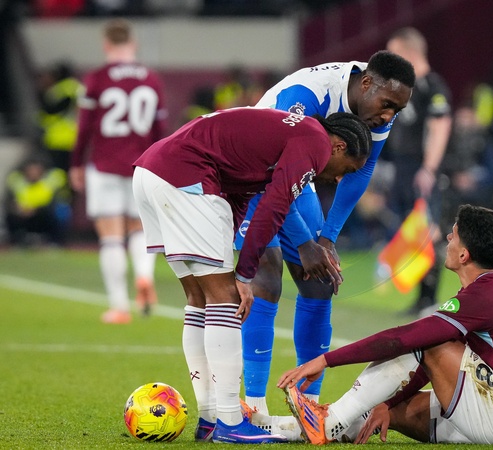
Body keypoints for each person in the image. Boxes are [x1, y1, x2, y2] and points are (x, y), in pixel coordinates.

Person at [132, 108, 373, 444]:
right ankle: (230, 422)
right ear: (339, 147)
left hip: (152, 172)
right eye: (347, 169)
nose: (337, 179)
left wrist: (237, 263)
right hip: (186, 177)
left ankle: (210, 417)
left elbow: (245, 194)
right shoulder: (316, 142)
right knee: (225, 299)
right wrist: (244, 275)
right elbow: (275, 206)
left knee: (199, 299)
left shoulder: (290, 133)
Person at [244, 205, 493, 444]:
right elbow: (435, 361)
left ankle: (329, 421)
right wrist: (389, 403)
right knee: (375, 411)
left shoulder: (482, 298)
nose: (447, 239)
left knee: (423, 339)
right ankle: (268, 426)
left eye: (454, 235)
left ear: (464, 254)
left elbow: (409, 340)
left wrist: (326, 360)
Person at [236, 50, 415, 413]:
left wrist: (327, 238)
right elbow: (275, 181)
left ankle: (309, 407)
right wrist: (304, 242)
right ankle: (254, 406)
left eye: (397, 110)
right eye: (387, 105)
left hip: (296, 180)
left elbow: (362, 170)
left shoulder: (379, 107)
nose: (389, 115)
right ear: (366, 83)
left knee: (321, 280)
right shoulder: (306, 96)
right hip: (255, 178)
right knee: (267, 274)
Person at [69, 18, 167, 324]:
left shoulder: (96, 78)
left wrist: (76, 163)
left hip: (104, 165)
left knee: (111, 237)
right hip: (141, 164)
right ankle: (144, 275)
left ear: (106, 45)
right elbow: (160, 128)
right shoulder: (151, 78)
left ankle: (119, 306)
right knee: (140, 228)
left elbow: (84, 127)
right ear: (133, 43)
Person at [382, 27, 453, 316]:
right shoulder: (404, 88)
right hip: (403, 168)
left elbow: (440, 127)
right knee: (412, 232)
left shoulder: (432, 87)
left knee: (429, 230)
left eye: (394, 53)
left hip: (422, 168)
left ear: (409, 53)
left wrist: (429, 168)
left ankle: (429, 298)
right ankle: (420, 297)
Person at [5, 155, 69, 246]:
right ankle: (16, 241)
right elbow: (9, 200)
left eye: (36, 169)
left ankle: (55, 241)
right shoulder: (17, 180)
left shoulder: (52, 180)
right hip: (23, 214)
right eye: (31, 169)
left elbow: (60, 199)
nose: (33, 172)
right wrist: (17, 208)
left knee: (61, 211)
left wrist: (37, 209)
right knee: (10, 215)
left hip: (45, 213)